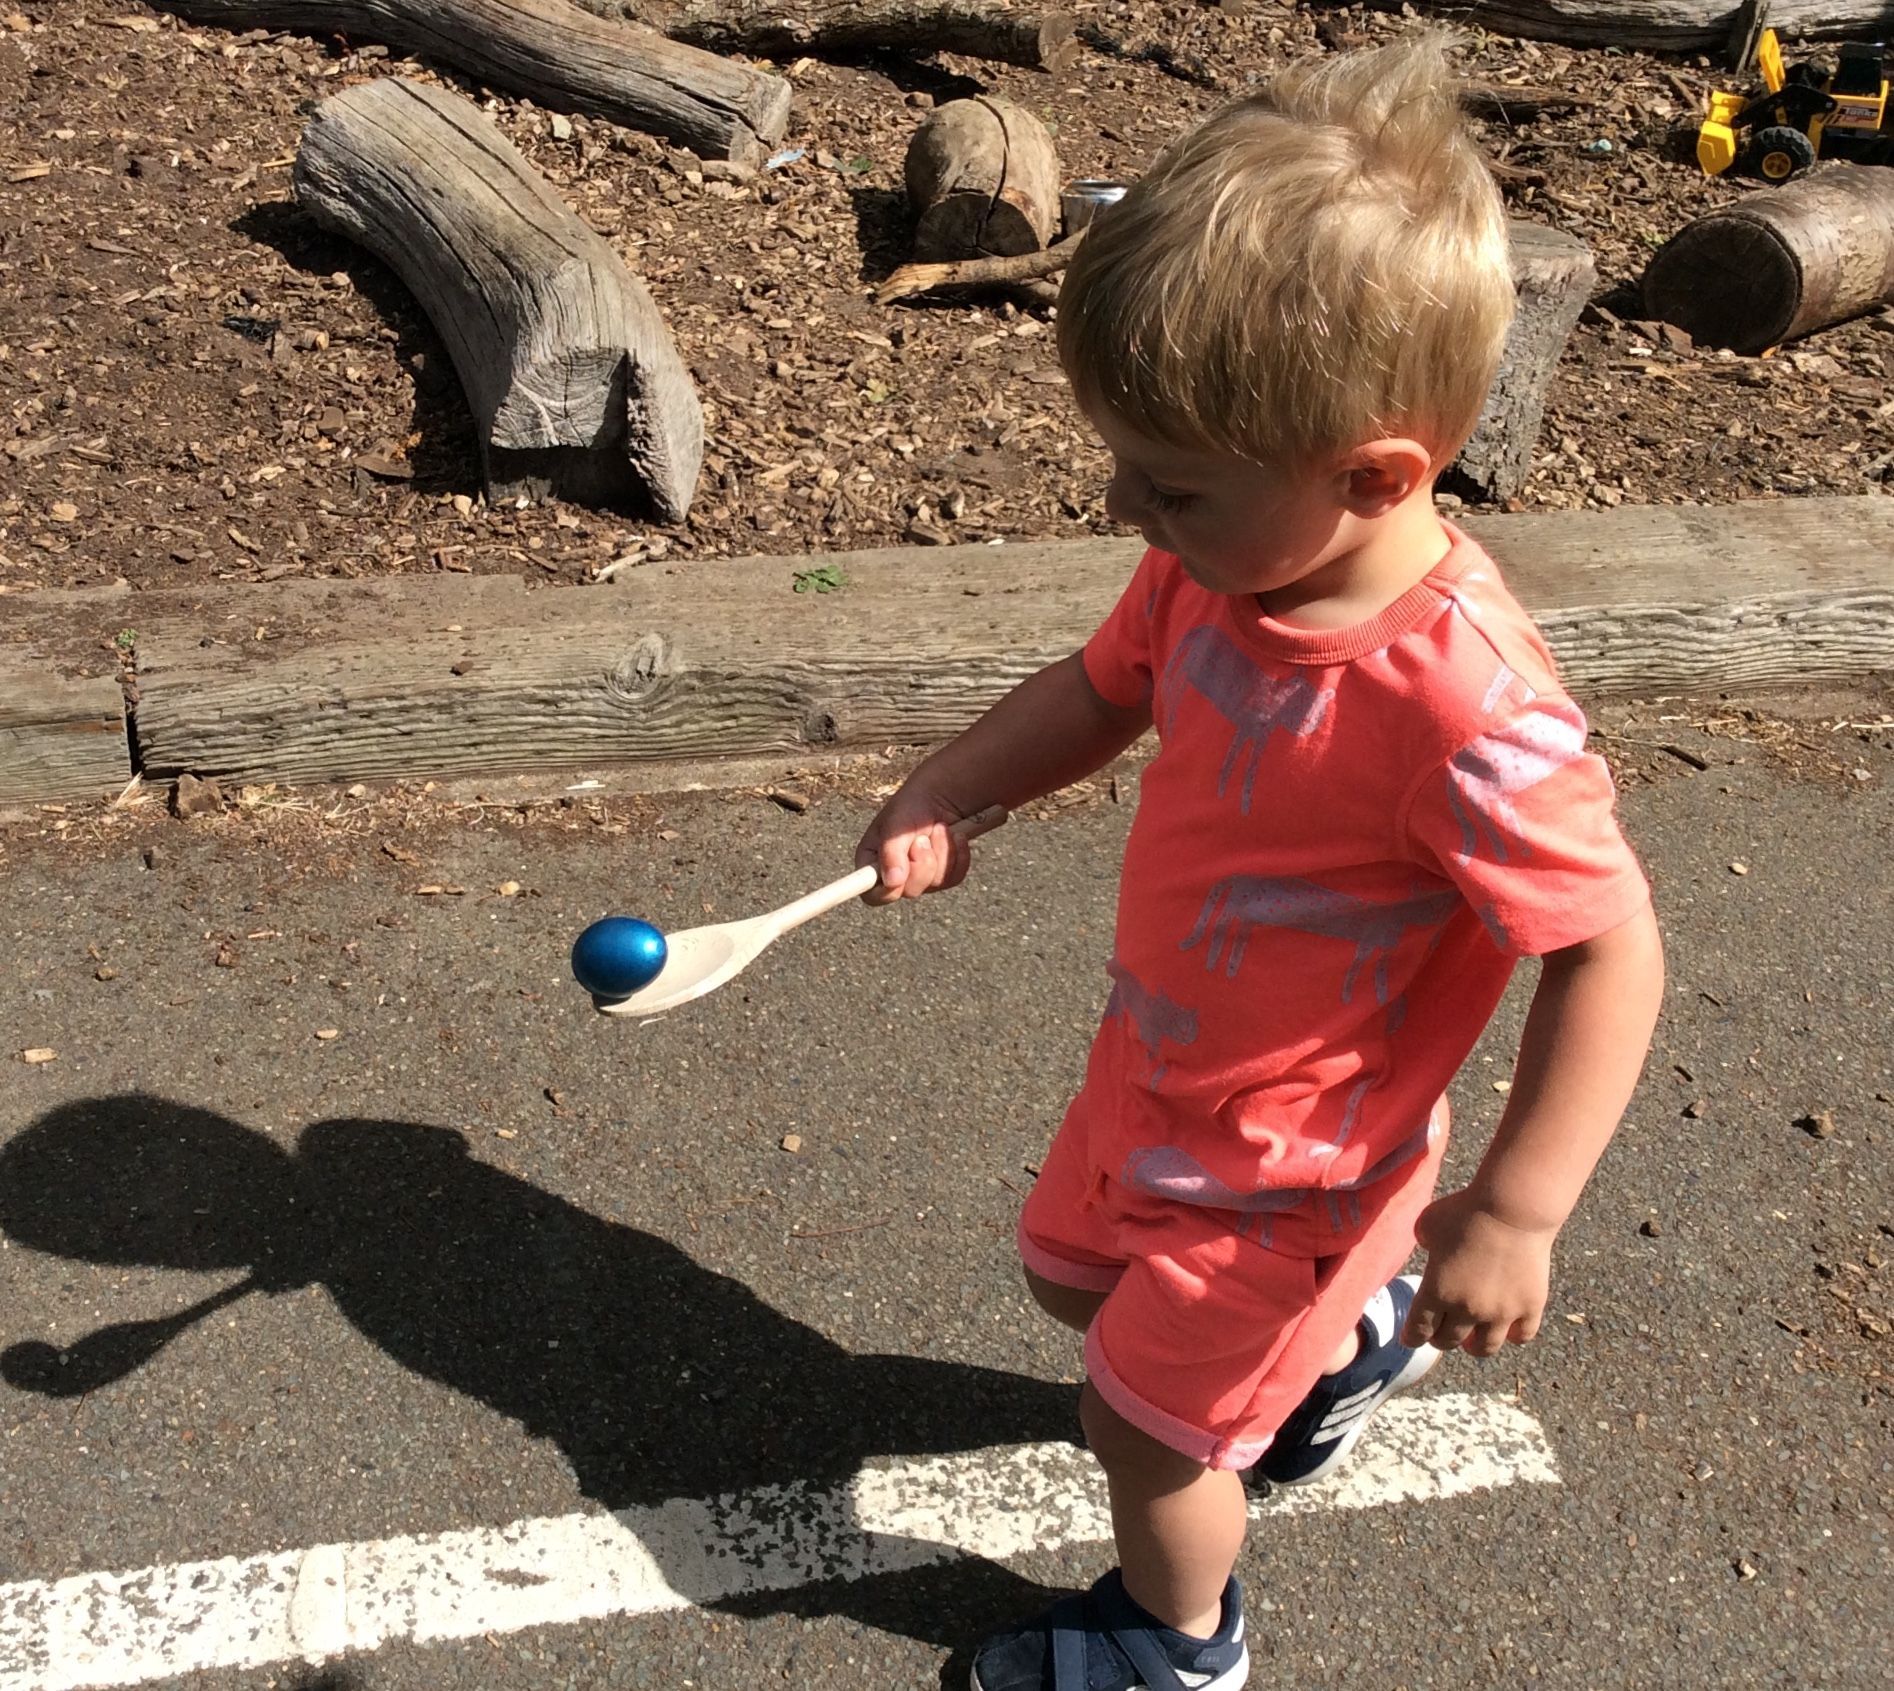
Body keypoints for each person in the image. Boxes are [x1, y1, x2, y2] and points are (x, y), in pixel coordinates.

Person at [855, 31, 1665, 1691]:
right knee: (1068, 1282)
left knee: (1137, 1431)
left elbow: (1608, 946)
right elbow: (1102, 688)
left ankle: (1175, 1646)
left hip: (1292, 1162)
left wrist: (1516, 1208)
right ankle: (1346, 1345)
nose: (1128, 510)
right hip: (1165, 1070)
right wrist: (954, 785)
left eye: (1171, 487)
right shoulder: (1228, 574)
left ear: (1375, 474)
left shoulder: (1463, 708)